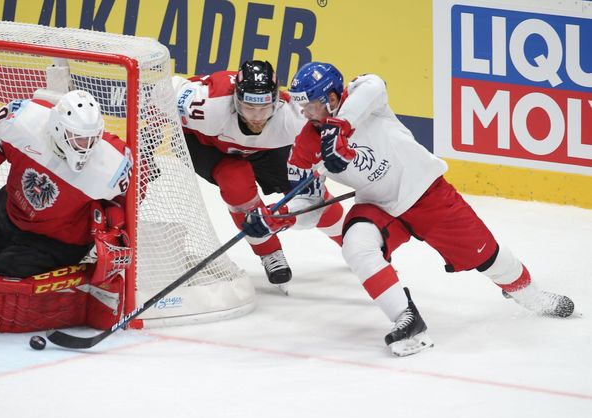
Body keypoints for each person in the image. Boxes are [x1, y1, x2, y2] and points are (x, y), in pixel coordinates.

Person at [243, 62, 575, 356]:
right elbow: (312, 206)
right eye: (302, 107)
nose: (305, 114)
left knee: (487, 257)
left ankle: (528, 293)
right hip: (378, 205)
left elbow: (375, 84)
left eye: (312, 106)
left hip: (427, 195)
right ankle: (407, 318)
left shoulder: (364, 99)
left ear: (331, 98)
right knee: (356, 244)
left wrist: (339, 128)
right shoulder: (305, 146)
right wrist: (279, 218)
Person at [0, 89, 134, 282]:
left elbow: (131, 194)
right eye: (78, 138)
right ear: (58, 128)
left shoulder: (111, 161)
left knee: (2, 278)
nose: (86, 146)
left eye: (91, 139)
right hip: (9, 212)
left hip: (57, 242)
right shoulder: (24, 119)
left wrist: (113, 226)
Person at [173, 60, 345, 290]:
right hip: (207, 145)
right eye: (248, 108)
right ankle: (269, 252)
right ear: (235, 101)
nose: (257, 117)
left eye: (265, 108)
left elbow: (343, 123)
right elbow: (158, 94)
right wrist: (146, 150)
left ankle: (351, 239)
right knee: (236, 182)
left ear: (276, 102)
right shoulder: (206, 105)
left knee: (307, 190)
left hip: (264, 149)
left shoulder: (293, 116)